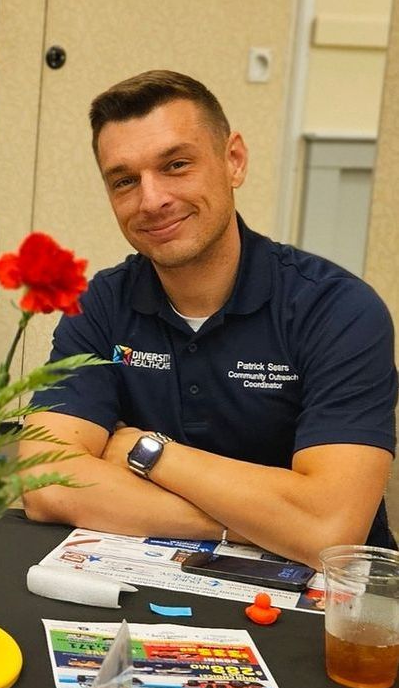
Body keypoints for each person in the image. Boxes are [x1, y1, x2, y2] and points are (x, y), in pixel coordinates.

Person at [21, 70, 396, 565]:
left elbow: (330, 528)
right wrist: (259, 524)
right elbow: (48, 484)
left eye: (176, 165)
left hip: (322, 612)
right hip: (153, 582)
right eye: (125, 181)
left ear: (233, 160)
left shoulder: (337, 310)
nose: (152, 200)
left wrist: (150, 453)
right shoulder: (101, 304)